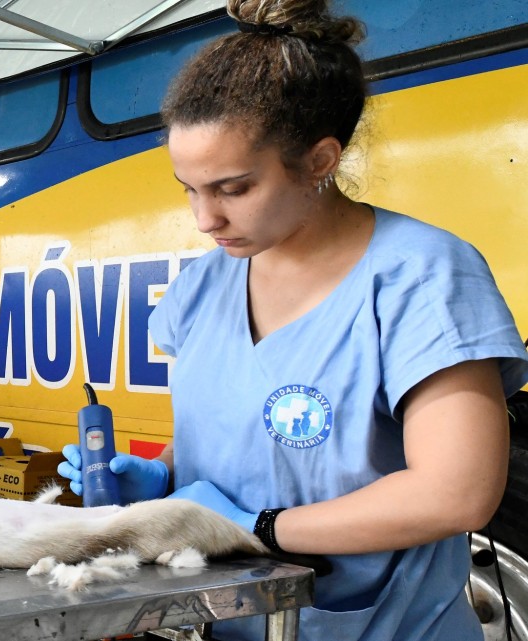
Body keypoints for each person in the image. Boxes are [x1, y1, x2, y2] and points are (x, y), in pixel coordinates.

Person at [58, 1, 528, 639]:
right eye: (189, 189)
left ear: (319, 160)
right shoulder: (201, 288)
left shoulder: (421, 277)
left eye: (234, 188)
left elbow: (456, 492)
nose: (205, 219)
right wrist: (165, 476)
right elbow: (240, 441)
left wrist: (251, 529)